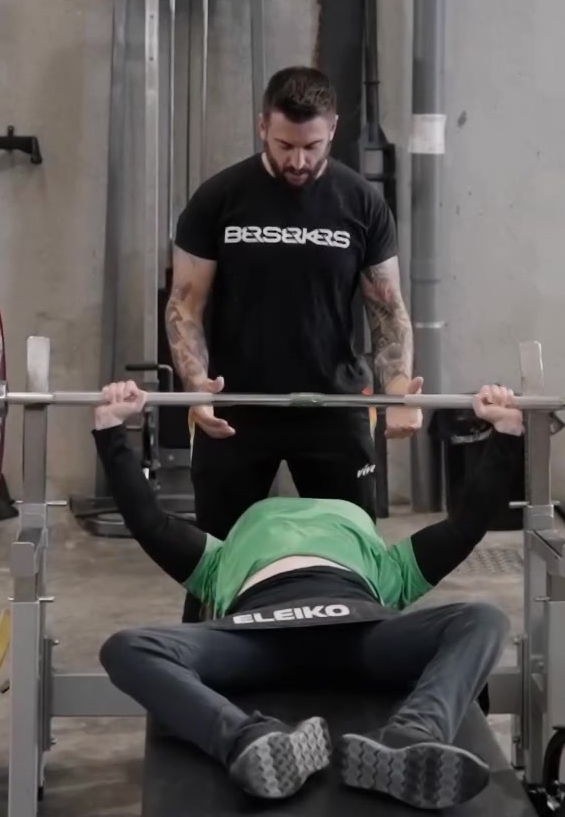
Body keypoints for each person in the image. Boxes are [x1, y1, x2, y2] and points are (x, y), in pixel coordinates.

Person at [94, 380, 524, 810]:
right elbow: (149, 522)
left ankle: (411, 736)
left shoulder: (377, 562)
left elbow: (465, 526)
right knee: (126, 646)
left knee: (484, 618)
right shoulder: (220, 560)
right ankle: (250, 742)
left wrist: (506, 432)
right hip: (274, 636)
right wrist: (111, 428)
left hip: (332, 635)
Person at [167, 66, 419, 602]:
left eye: (312, 146)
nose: (298, 161)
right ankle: (212, 651)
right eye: (285, 145)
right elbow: (185, 304)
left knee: (353, 558)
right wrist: (196, 386)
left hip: (333, 406)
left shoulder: (361, 203)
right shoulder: (219, 198)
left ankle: (352, 651)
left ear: (333, 129)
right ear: (262, 126)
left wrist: (398, 389)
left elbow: (386, 308)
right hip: (235, 409)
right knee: (216, 565)